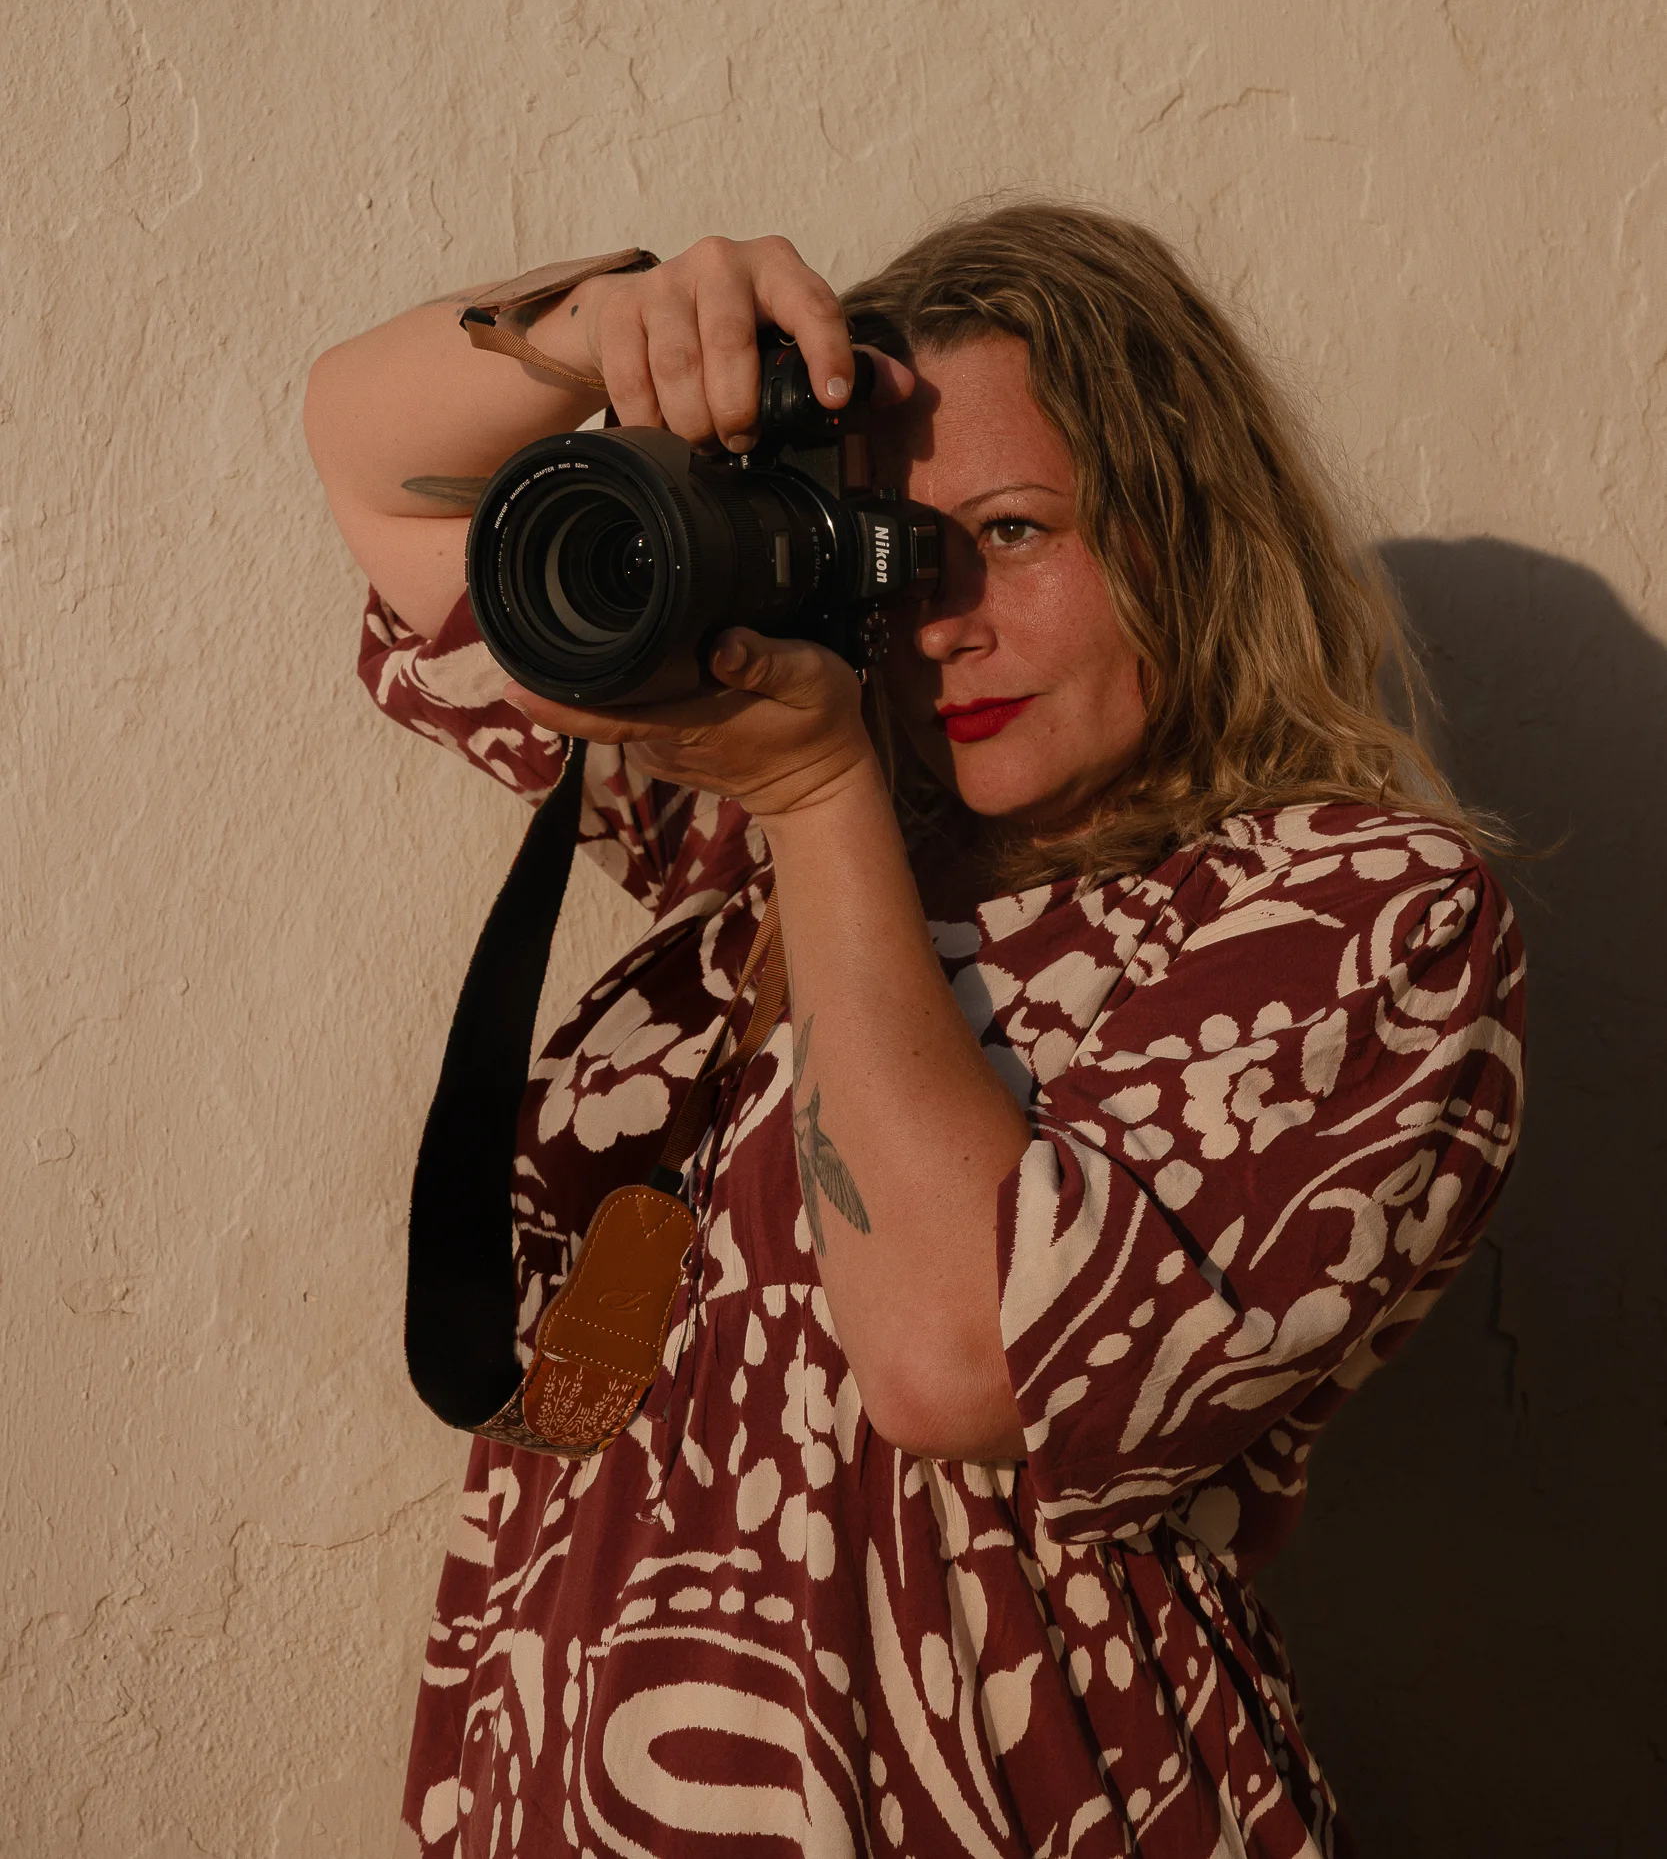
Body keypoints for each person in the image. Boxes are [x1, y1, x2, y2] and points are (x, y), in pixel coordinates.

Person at [304, 205, 1524, 1859]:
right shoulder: (757, 838)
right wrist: (603, 326)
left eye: (1013, 530)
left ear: (1193, 531)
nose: (940, 615)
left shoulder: (1354, 906)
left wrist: (819, 798)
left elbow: (962, 1366)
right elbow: (377, 465)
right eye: (883, 542)